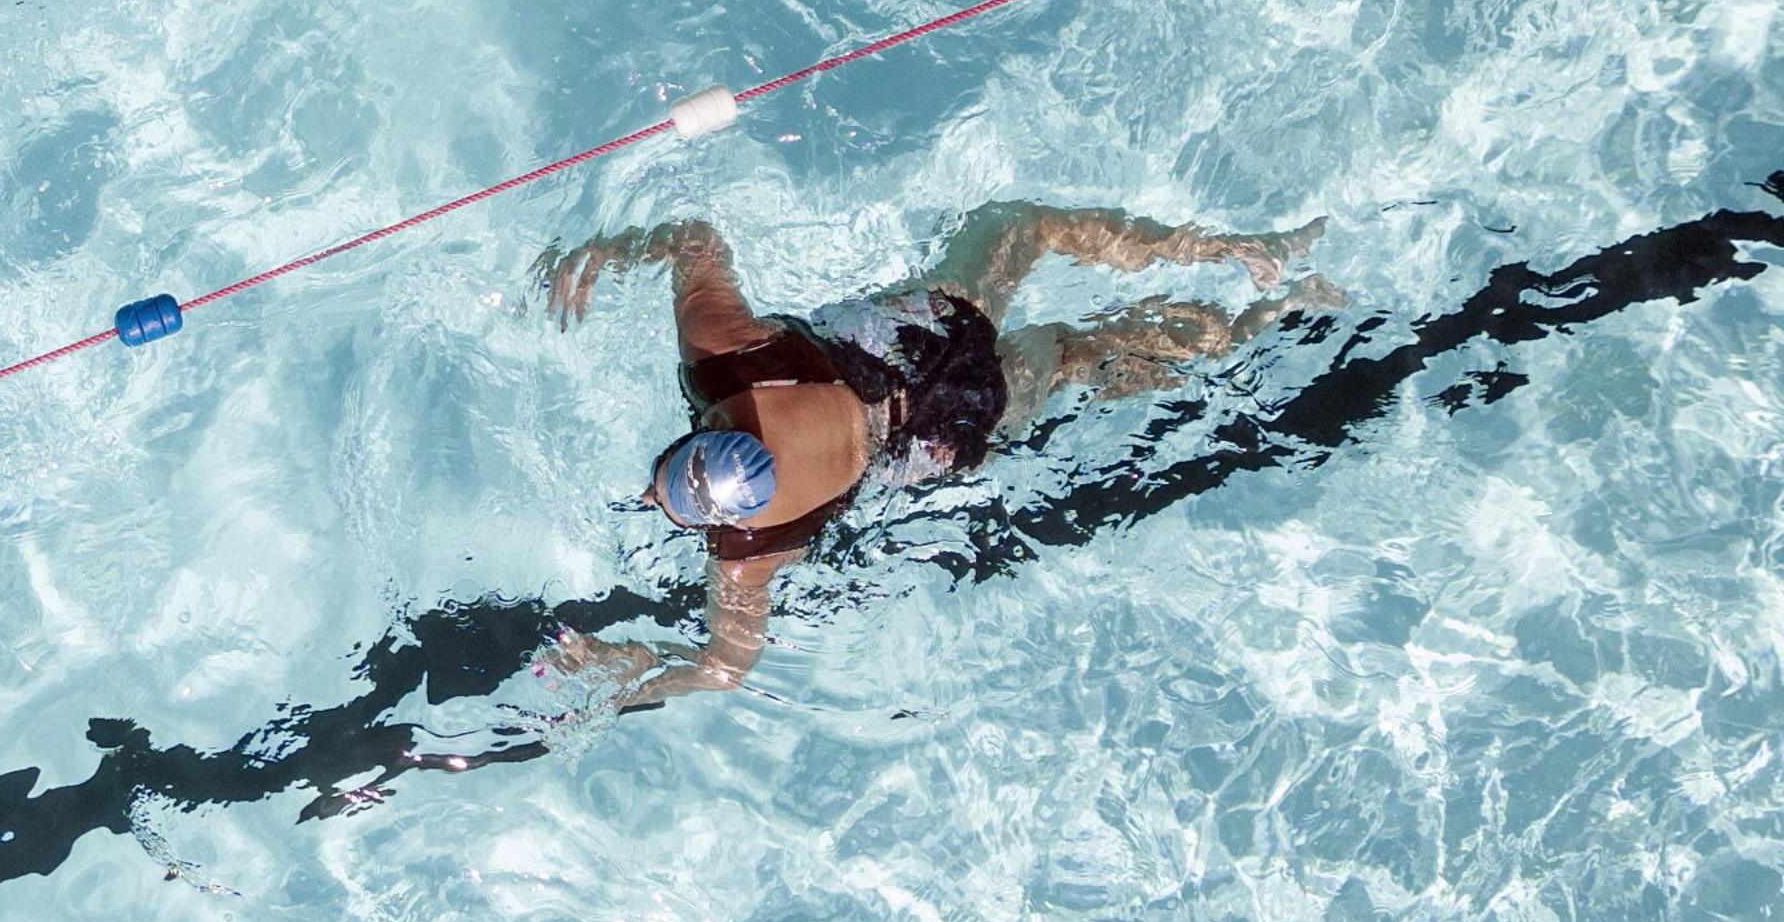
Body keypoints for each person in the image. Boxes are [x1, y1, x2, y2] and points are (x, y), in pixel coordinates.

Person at [533, 203, 1333, 699]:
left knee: (1073, 352)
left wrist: (631, 669)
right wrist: (616, 249)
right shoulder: (733, 362)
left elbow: (721, 669)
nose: (649, 493)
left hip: (953, 431)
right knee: (1026, 227)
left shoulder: (749, 554)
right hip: (926, 338)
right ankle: (1235, 249)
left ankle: (1250, 327)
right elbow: (696, 240)